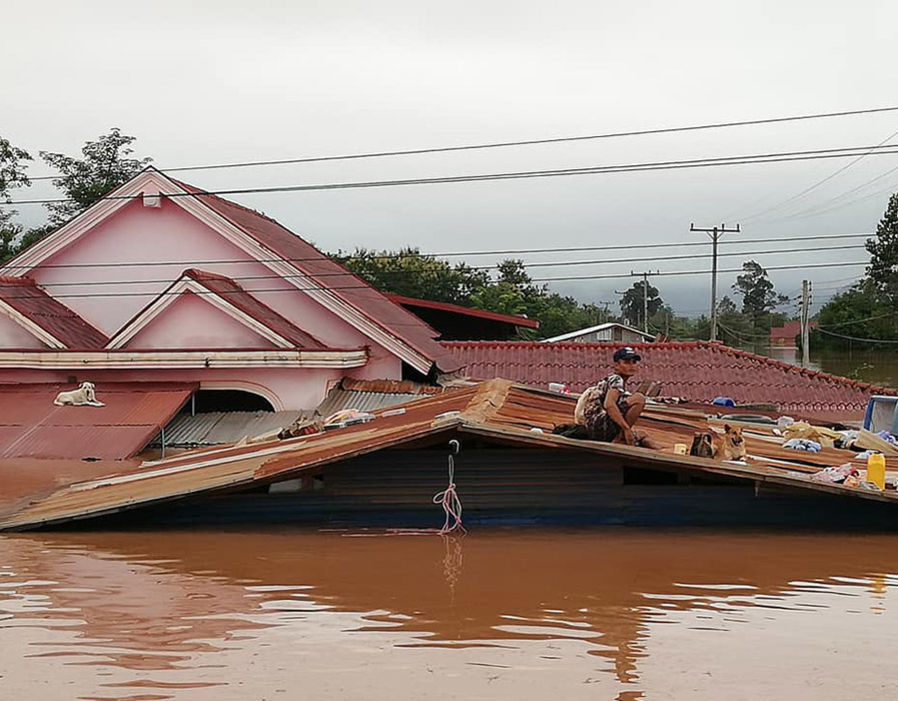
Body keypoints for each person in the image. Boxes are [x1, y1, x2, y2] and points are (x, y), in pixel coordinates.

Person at [577, 346, 647, 446]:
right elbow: (609, 405)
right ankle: (620, 438)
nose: (631, 366)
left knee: (644, 436)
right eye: (627, 362)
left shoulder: (614, 382)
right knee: (639, 399)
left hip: (595, 426)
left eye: (634, 362)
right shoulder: (616, 379)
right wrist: (626, 429)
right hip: (599, 426)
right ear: (616, 365)